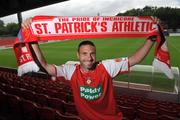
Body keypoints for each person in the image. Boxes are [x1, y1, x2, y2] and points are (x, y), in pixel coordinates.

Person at [21, 18, 156, 120]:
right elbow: (44, 65)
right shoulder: (70, 69)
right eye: (84, 54)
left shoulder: (107, 66)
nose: (89, 58)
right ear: (78, 55)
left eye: (92, 53)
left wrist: (152, 38)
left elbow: (135, 59)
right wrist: (32, 39)